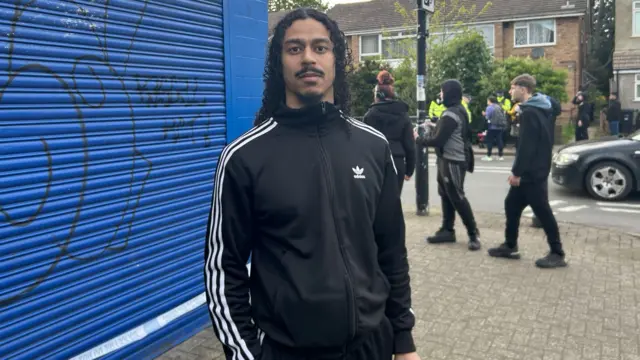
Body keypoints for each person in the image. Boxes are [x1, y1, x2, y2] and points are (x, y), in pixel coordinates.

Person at [204, 8, 420, 360]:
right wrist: (245, 354)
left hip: (372, 346)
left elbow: (392, 251)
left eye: (320, 47)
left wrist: (404, 340)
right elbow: (222, 267)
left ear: (337, 59)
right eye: (294, 48)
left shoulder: (373, 146)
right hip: (288, 349)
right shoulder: (245, 156)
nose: (308, 57)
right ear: (279, 61)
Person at [487, 74, 567, 269]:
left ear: (523, 89)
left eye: (512, 87)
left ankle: (557, 253)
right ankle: (510, 245)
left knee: (543, 211)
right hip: (535, 169)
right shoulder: (543, 107)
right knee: (511, 205)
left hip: (532, 172)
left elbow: (527, 145)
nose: (510, 91)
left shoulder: (530, 112)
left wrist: (517, 172)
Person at [416, 79, 481, 251]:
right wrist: (435, 125)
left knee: (457, 197)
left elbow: (438, 140)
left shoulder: (450, 114)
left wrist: (417, 139)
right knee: (446, 194)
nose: (440, 94)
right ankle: (447, 229)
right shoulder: (457, 110)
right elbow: (449, 131)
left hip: (452, 160)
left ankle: (473, 234)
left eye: (442, 91)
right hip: (448, 159)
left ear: (449, 92)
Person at [364, 70, 416, 193]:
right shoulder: (403, 115)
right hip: (397, 162)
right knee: (394, 202)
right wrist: (409, 169)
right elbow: (410, 145)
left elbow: (364, 144)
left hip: (375, 162)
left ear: (378, 96)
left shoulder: (370, 115)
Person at [531, 93, 562, 229]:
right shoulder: (551, 112)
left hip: (539, 150)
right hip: (547, 146)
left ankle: (540, 219)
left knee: (540, 186)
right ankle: (540, 218)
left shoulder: (539, 114)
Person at [481, 96, 507, 161]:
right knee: (499, 140)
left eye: (487, 100)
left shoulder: (489, 107)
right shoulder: (499, 106)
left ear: (490, 101)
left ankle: (488, 156)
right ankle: (500, 156)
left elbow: (487, 117)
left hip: (492, 126)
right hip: (500, 126)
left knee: (489, 141)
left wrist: (484, 114)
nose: (487, 102)